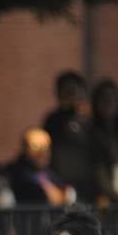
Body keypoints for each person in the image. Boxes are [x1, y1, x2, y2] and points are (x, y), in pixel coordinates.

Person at [42, 71, 96, 202]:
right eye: (65, 91)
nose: (70, 96)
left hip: (87, 184)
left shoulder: (90, 121)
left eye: (73, 91)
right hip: (60, 181)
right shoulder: (52, 120)